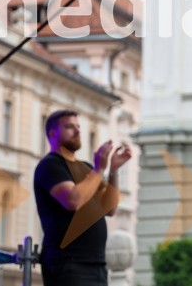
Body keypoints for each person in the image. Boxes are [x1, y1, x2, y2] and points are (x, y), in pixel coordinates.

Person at [34, 109, 132, 286]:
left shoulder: (87, 168)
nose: (77, 131)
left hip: (96, 264)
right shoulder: (50, 165)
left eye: (78, 126)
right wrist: (99, 169)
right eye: (69, 127)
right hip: (68, 263)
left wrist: (113, 170)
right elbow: (73, 200)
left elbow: (110, 208)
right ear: (52, 133)